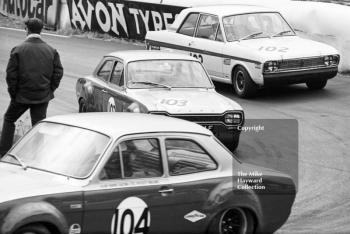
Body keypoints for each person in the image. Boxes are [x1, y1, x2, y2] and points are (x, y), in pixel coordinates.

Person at [0, 18, 63, 156]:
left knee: (9, 119)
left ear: (27, 30)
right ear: (41, 30)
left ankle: (4, 152)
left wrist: (14, 94)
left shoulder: (18, 50)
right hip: (42, 96)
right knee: (38, 125)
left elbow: (11, 76)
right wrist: (50, 90)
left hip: (21, 96)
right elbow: (58, 73)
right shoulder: (51, 50)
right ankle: (37, 156)